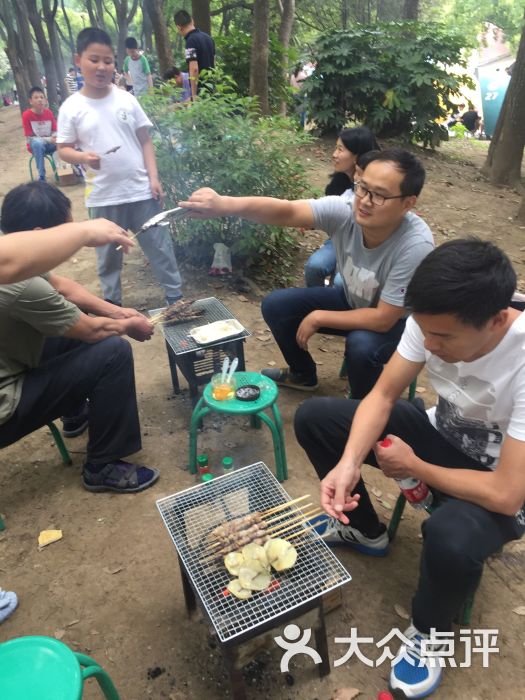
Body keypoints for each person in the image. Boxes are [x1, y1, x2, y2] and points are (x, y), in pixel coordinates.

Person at [294, 238, 525, 698]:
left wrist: (415, 465)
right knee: (316, 419)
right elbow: (382, 396)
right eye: (426, 333)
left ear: (497, 320)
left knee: (450, 536)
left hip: (504, 482)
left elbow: (507, 494)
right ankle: (365, 531)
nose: (431, 346)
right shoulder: (434, 317)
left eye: (445, 338)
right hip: (442, 437)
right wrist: (348, 464)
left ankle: (430, 633)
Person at [180, 149, 434, 399]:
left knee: (361, 344)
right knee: (277, 305)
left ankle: (361, 407)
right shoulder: (347, 211)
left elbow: (383, 319)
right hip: (353, 300)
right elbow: (288, 211)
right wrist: (226, 205)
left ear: (407, 203)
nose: (365, 201)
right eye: (363, 188)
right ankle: (302, 374)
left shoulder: (414, 245)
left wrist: (319, 316)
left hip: (398, 324)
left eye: (379, 195)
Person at [0, 180, 159, 493]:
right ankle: (103, 466)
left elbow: (61, 286)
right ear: (39, 235)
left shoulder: (12, 252)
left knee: (68, 331)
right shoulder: (20, 286)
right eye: (67, 232)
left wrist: (117, 311)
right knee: (112, 351)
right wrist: (129, 326)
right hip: (5, 405)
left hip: (9, 357)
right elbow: (92, 330)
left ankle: (73, 412)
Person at [57, 27, 183, 307]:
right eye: (94, 60)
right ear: (79, 60)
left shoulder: (127, 99)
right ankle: (112, 305)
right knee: (108, 256)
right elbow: (63, 149)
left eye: (108, 60)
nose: (102, 67)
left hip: (140, 190)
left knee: (160, 246)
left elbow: (145, 141)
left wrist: (154, 178)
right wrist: (83, 158)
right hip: (103, 195)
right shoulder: (72, 107)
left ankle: (175, 298)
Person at [305, 127, 380, 288]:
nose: (334, 154)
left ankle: (339, 308)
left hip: (366, 245)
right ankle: (319, 303)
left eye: (340, 149)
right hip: (340, 239)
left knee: (341, 282)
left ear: (357, 155)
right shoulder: (341, 184)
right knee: (314, 266)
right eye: (336, 148)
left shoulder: (375, 189)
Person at [174, 9, 215, 100]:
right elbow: (214, 64)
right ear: (192, 20)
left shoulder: (190, 42)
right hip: (211, 90)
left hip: (201, 92)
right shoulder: (209, 38)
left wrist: (193, 95)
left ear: (179, 27)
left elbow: (194, 69)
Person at [21, 86, 57, 182]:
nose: (40, 100)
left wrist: (55, 137)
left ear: (45, 100)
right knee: (37, 143)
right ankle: (41, 176)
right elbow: (30, 139)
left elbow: (54, 131)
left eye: (42, 97)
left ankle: (65, 171)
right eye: (36, 98)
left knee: (64, 142)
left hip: (50, 145)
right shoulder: (26, 115)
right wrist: (49, 139)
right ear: (31, 101)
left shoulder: (49, 113)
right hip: (36, 146)